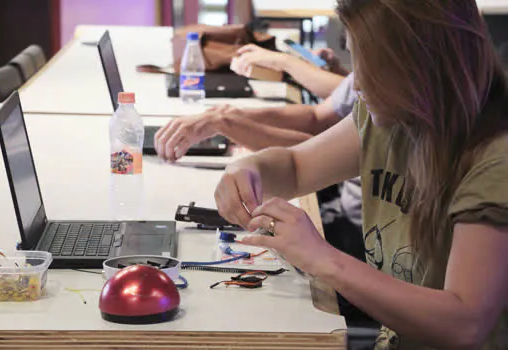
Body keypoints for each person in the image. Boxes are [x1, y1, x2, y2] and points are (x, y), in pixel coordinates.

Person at [213, 0, 508, 349]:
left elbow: (464, 323)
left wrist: (322, 258)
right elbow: (295, 167)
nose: (357, 83)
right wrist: (247, 169)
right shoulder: (391, 115)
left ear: (418, 64)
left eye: (371, 64)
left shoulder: (495, 160)